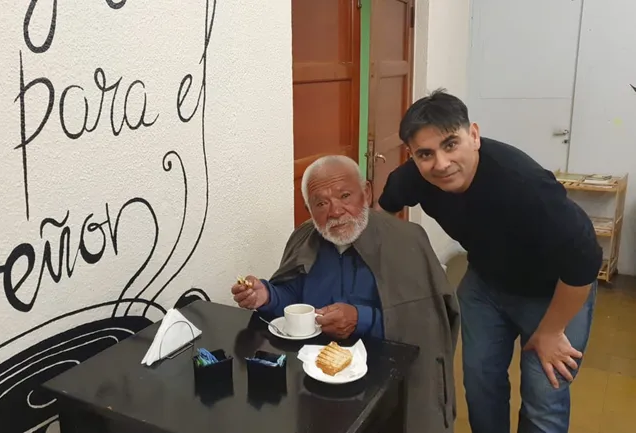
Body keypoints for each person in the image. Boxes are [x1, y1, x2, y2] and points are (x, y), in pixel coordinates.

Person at [378, 89, 602, 433]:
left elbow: (585, 261)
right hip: (486, 285)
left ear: (475, 136)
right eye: (425, 153)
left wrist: (553, 330)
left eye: (451, 144)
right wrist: (397, 269)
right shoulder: (413, 177)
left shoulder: (525, 186)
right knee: (481, 384)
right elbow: (384, 214)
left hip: (555, 292)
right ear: (413, 155)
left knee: (545, 396)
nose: (440, 164)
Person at [231, 155, 460, 433]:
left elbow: (427, 323)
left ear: (366, 192)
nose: (335, 211)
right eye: (321, 203)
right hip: (314, 379)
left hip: (388, 384)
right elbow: (296, 303)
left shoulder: (407, 240)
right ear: (309, 209)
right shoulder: (305, 239)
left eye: (345, 195)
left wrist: (361, 319)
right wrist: (266, 296)